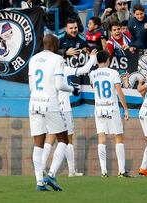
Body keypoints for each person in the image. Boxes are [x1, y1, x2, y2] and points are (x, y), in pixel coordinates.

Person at [29, 34, 79, 191]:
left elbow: (31, 85)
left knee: (38, 143)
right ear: (55, 44)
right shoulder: (58, 59)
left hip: (34, 103)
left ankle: (39, 183)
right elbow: (59, 84)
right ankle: (51, 175)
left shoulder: (34, 59)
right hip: (50, 104)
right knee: (63, 139)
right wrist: (73, 89)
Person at [41, 49, 98, 178]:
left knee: (50, 137)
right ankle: (71, 171)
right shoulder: (64, 69)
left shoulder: (47, 71)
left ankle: (41, 166)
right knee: (68, 138)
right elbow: (83, 70)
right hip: (63, 108)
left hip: (50, 106)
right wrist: (93, 58)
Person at [89, 50, 130, 177]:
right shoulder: (113, 73)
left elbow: (93, 87)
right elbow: (119, 91)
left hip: (99, 108)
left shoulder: (93, 73)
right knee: (118, 137)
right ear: (108, 60)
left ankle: (103, 171)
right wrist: (126, 108)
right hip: (111, 107)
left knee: (102, 138)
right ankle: (122, 171)